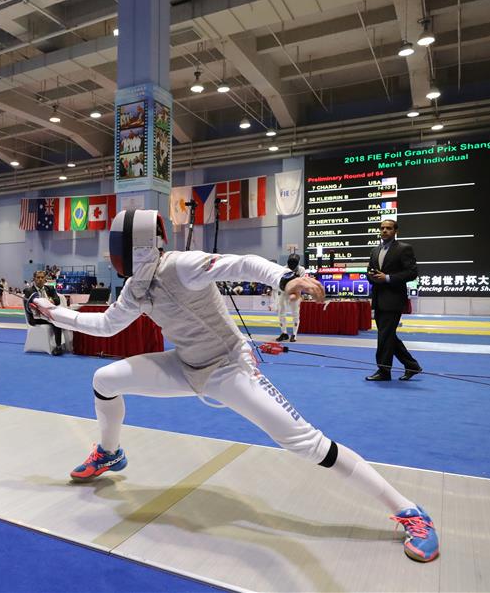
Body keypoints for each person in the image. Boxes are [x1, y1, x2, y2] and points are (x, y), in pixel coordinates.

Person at [30, 209, 439, 564]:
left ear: (132, 245)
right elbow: (104, 326)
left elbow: (243, 263)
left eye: (114, 244)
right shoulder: (137, 286)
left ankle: (410, 511)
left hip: (229, 369)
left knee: (307, 443)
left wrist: (285, 279)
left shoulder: (182, 265)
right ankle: (110, 451)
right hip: (185, 365)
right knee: (105, 379)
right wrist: (53, 312)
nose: (110, 252)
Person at [366, 219, 421, 382]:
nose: (384, 231)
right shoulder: (374, 250)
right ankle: (412, 366)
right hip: (378, 298)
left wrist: (388, 278)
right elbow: (370, 271)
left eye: (388, 228)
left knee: (384, 336)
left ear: (395, 231)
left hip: (394, 299)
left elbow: (412, 273)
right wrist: (375, 278)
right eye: (382, 228)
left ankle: (384, 371)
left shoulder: (404, 249)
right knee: (388, 336)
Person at [24, 270, 64, 355]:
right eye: (38, 277)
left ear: (45, 278)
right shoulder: (28, 291)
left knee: (59, 321)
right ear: (34, 279)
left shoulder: (50, 288)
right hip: (37, 318)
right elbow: (30, 305)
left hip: (49, 315)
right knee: (56, 322)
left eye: (42, 277)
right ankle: (58, 347)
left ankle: (61, 345)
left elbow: (57, 301)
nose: (40, 279)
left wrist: (52, 300)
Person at [275, 253, 305, 342]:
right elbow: (279, 283)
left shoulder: (301, 269)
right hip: (283, 292)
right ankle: (284, 333)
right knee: (281, 312)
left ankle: (294, 335)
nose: (292, 264)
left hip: (295, 293)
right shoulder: (283, 269)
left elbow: (301, 283)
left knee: (295, 313)